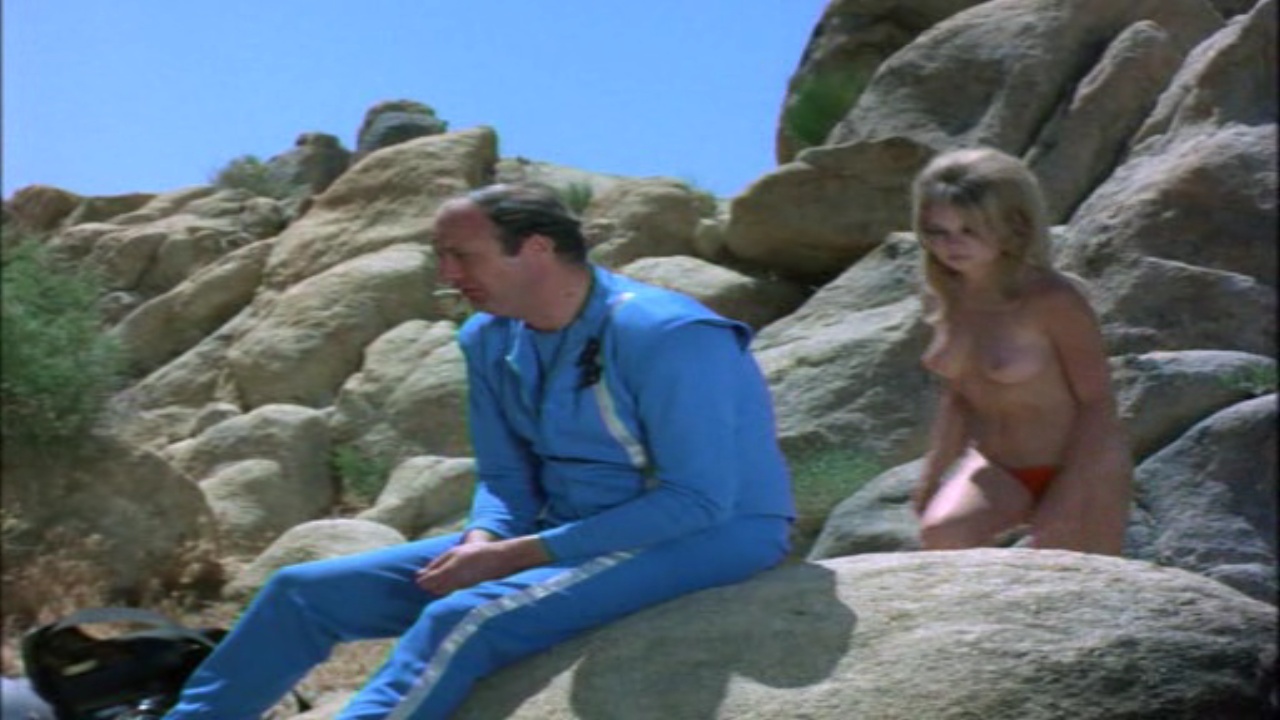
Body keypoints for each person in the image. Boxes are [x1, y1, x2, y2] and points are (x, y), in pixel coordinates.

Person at [163, 182, 795, 720]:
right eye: (440, 256)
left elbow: (697, 501)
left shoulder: (667, 335)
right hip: (569, 528)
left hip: (708, 534)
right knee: (301, 593)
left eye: (462, 255)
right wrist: (483, 539)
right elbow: (504, 475)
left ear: (537, 249)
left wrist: (515, 557)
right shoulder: (490, 339)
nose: (447, 275)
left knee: (463, 620)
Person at [909, 147, 1132, 555]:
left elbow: (1098, 403)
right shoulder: (948, 297)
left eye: (969, 229)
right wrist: (931, 477)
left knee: (1066, 574)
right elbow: (959, 398)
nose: (951, 244)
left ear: (1013, 227)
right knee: (942, 533)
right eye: (937, 231)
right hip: (998, 467)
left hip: (1080, 464)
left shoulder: (1051, 299)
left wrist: (1069, 492)